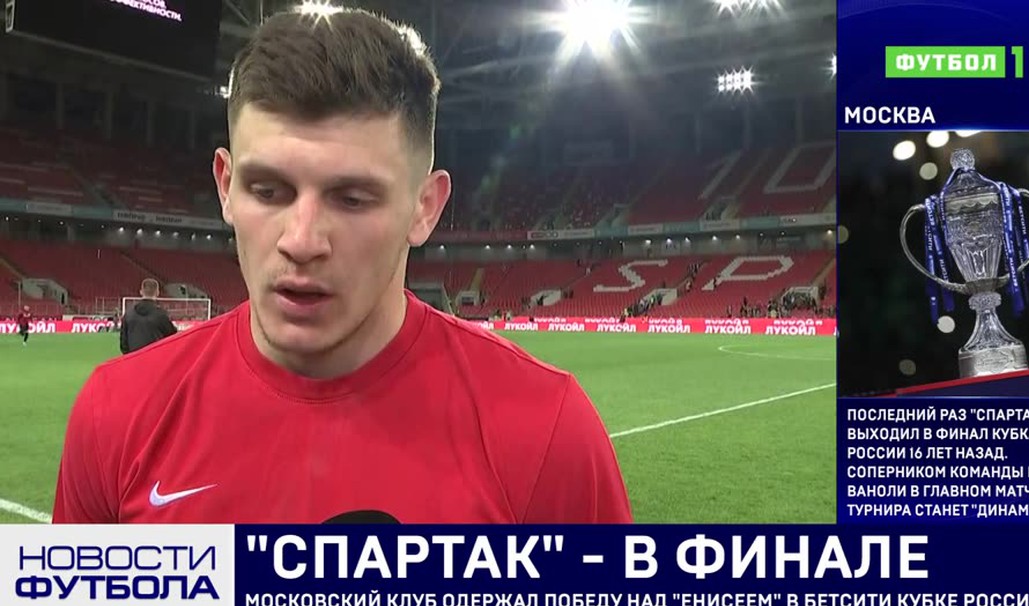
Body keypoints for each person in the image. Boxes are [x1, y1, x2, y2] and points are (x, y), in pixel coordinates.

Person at [53, 9, 631, 525]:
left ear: (425, 208)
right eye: (267, 190)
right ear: (225, 187)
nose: (302, 241)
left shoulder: (548, 435)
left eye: (352, 199)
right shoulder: (117, 413)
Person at [119, 278, 178, 354]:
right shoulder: (161, 314)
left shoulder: (129, 314)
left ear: (141, 292)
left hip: (135, 358)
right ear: (157, 293)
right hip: (155, 357)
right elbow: (172, 337)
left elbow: (123, 343)